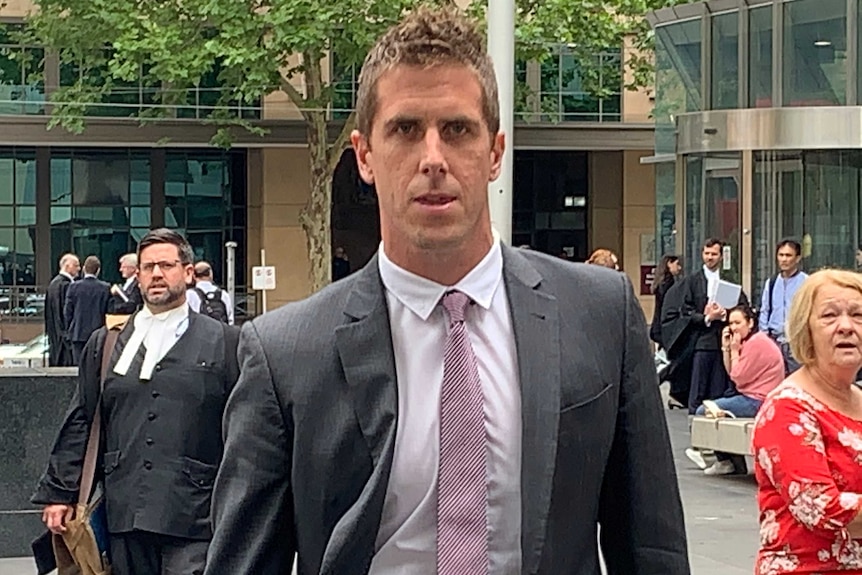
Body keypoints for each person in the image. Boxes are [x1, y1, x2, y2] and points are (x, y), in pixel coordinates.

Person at [206, 7, 690, 575]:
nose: (432, 159)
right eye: (406, 130)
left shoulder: (600, 313)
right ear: (363, 154)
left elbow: (651, 548)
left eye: (457, 130)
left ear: (494, 152)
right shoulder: (285, 354)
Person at [32, 228, 240, 575]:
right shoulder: (106, 344)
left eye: (166, 265)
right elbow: (83, 418)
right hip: (124, 511)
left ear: (188, 273)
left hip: (196, 516)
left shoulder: (226, 342)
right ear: (138, 276)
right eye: (147, 267)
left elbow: (243, 426)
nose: (156, 274)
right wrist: (60, 493)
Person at [751, 269, 862, 573]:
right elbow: (822, 509)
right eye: (829, 316)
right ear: (806, 330)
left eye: (858, 315)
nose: (846, 327)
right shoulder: (786, 408)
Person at [684, 304, 784, 475]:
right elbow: (732, 372)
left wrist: (735, 350)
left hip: (758, 401)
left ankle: (724, 460)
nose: (733, 328)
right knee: (713, 408)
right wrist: (726, 348)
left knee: (703, 410)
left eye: (738, 323)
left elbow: (737, 377)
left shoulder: (757, 343)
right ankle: (733, 462)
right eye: (731, 323)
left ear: (750, 323)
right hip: (753, 397)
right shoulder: (751, 341)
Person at [679, 238, 749, 413]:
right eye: (707, 253)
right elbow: (685, 311)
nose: (710, 257)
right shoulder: (693, 280)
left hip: (724, 337)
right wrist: (707, 317)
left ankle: (716, 413)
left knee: (720, 383)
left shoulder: (730, 278)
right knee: (698, 383)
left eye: (714, 254)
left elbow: (742, 305)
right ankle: (695, 416)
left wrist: (726, 314)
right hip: (702, 339)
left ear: (721, 256)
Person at [758, 239, 807, 375]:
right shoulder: (772, 282)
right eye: (781, 255)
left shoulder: (806, 282)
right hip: (775, 341)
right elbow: (765, 310)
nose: (784, 260)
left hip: (796, 342)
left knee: (798, 380)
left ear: (797, 258)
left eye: (788, 255)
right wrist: (764, 337)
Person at [64, 256, 110, 366]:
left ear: (84, 269)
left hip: (78, 333)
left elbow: (67, 312)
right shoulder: (105, 288)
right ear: (98, 270)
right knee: (96, 367)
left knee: (79, 368)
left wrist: (69, 328)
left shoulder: (74, 287)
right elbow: (109, 311)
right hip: (98, 334)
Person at [45, 253, 79, 367]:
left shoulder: (53, 284)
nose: (78, 268)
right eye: (76, 265)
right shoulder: (65, 285)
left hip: (55, 336)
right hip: (64, 341)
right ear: (67, 266)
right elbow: (66, 313)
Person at [650, 254, 682, 347]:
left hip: (657, 324)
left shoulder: (660, 282)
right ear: (669, 264)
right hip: (663, 326)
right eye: (677, 264)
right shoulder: (669, 283)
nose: (679, 268)